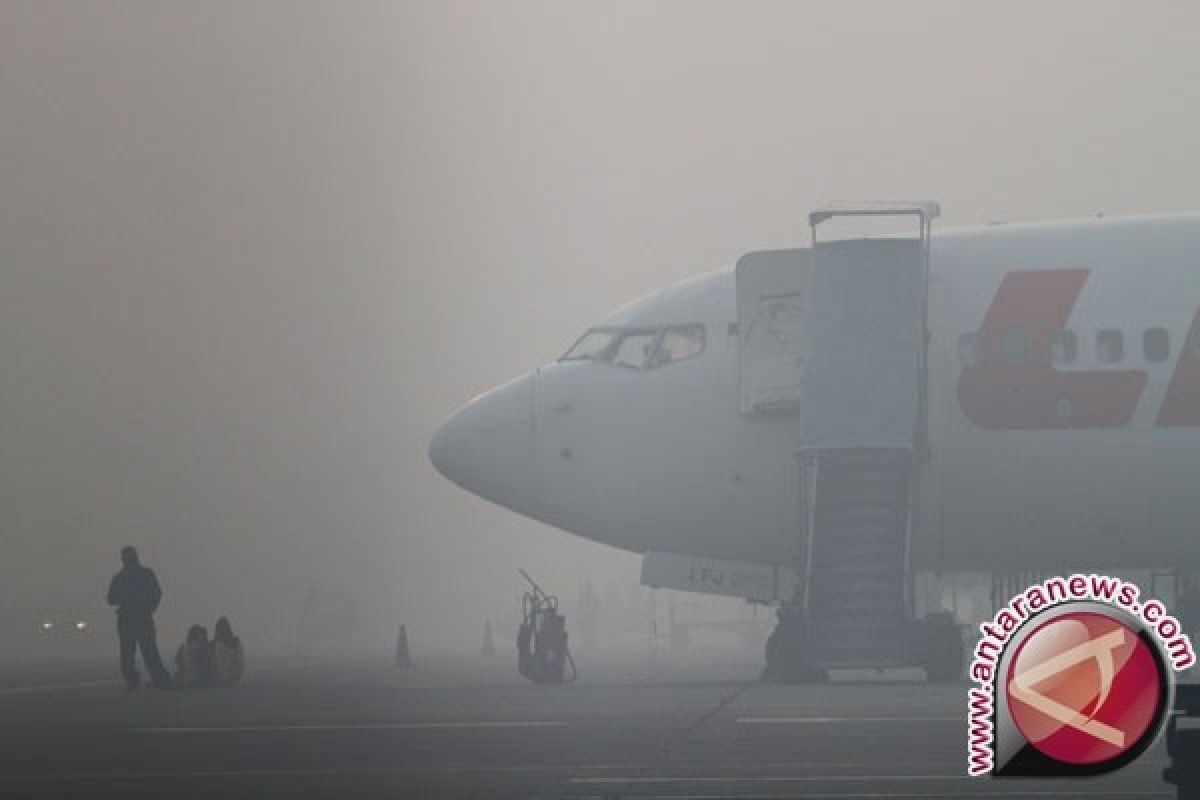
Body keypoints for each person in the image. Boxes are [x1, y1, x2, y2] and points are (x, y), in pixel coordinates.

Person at [106, 546, 172, 690]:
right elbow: (111, 598)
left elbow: (156, 593)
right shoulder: (130, 576)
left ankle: (143, 679)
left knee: (140, 651)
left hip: (138, 617)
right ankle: (153, 679)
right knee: (136, 651)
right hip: (135, 618)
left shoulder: (130, 577)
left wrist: (148, 607)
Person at [174, 624, 213, 688]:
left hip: (186, 680)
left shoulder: (183, 648)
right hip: (197, 681)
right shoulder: (203, 648)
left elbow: (179, 666)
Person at [210, 616, 245, 687]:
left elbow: (239, 662)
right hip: (226, 678)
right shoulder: (214, 645)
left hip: (231, 677)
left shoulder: (234, 643)